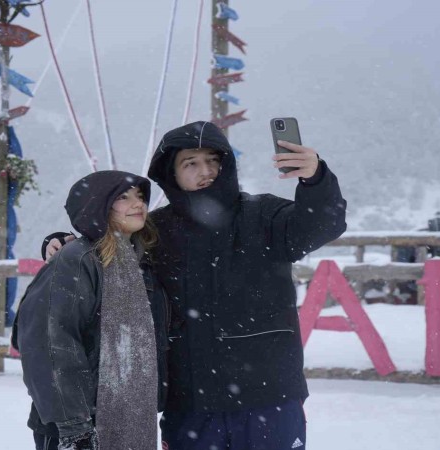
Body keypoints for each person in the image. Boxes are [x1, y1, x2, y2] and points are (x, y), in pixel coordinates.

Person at [45, 121, 347, 449]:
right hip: (188, 404)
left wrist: (316, 178)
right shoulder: (154, 230)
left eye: (213, 160)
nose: (206, 171)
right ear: (171, 173)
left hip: (271, 398)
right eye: (190, 163)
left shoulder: (265, 214)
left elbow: (322, 224)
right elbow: (107, 248)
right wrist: (63, 241)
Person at [11, 170, 170, 450]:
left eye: (140, 196)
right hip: (76, 424)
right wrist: (75, 427)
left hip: (130, 417)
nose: (138, 204)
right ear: (99, 205)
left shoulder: (141, 261)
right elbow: (49, 343)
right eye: (123, 197)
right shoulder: (76, 260)